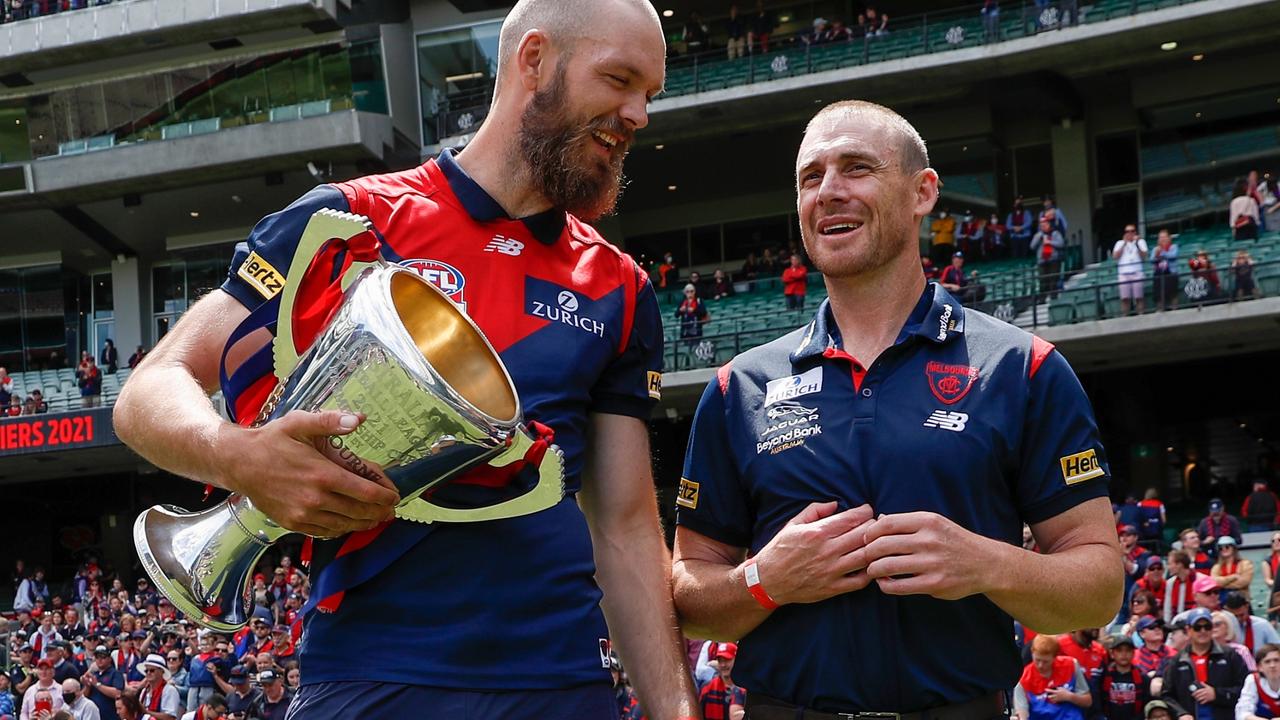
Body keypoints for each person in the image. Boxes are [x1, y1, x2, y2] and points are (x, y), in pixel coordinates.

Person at [112, 1, 696, 718]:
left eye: (650, 95)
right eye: (621, 80)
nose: (638, 113)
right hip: (371, 682)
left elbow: (627, 528)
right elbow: (151, 388)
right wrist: (237, 456)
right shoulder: (347, 221)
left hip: (562, 688)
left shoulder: (620, 289)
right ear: (535, 59)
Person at [670, 100, 1122, 716]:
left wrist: (986, 563)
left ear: (922, 192)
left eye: (857, 168)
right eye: (811, 177)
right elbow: (689, 594)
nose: (829, 191)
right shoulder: (738, 387)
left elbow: (1098, 588)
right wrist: (763, 580)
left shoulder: (1024, 368)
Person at [1159, 608, 1249, 720]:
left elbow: (1246, 690)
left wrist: (1216, 694)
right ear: (1188, 630)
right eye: (1197, 627)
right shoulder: (1177, 661)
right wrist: (1181, 713)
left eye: (1207, 626)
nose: (1203, 631)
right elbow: (1167, 695)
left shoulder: (1230, 656)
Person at [1013, 635, 1092, 720]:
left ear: (1055, 656)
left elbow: (1088, 701)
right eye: (1037, 660)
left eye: (1046, 661)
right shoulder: (1023, 678)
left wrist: (1069, 696)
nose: (1040, 665)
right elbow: (1022, 711)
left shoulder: (1071, 665)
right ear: (1032, 652)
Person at [1102, 634, 1151, 720]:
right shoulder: (1104, 677)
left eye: (1128, 650)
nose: (1124, 654)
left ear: (1133, 653)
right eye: (1119, 650)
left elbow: (1146, 704)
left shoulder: (1143, 678)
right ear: (1112, 654)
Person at [697, 644, 744, 720]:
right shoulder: (707, 688)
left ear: (736, 660)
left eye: (727, 660)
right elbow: (698, 714)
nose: (723, 665)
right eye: (720, 660)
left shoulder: (745, 689)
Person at [1237, 643, 1280, 720]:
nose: (1272, 665)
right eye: (1267, 662)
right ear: (1259, 667)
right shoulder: (1252, 680)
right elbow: (1242, 713)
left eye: (1276, 660)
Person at [1113, 223, 1149, 315]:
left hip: (1137, 273)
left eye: (1132, 231)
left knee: (1139, 298)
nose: (1130, 233)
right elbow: (1115, 256)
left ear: (1135, 232)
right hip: (1123, 274)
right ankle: (1125, 318)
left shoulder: (1141, 242)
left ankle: (1141, 316)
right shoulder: (1119, 243)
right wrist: (1124, 244)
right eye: (1127, 231)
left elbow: (1144, 256)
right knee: (1125, 299)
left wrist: (1137, 244)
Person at [82, 646, 124, 720]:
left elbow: (118, 693)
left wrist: (97, 684)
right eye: (97, 657)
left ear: (109, 659)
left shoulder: (115, 673)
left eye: (103, 657)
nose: (100, 660)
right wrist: (87, 686)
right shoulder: (94, 674)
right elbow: (84, 697)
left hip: (110, 716)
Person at [135, 655, 179, 720]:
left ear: (162, 672)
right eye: (146, 671)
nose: (148, 673)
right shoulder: (144, 691)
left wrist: (146, 712)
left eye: (152, 670)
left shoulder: (169, 690)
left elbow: (170, 717)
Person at [1030, 218, 1065, 296]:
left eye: (1045, 225)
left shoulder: (1055, 233)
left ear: (1049, 225)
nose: (1043, 227)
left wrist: (1050, 242)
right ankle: (1042, 298)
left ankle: (1053, 296)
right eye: (1041, 225)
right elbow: (1032, 246)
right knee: (1042, 280)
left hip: (1054, 260)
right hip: (1042, 261)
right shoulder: (1038, 235)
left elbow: (1061, 244)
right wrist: (1039, 237)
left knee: (1053, 279)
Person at [1151, 229, 1180, 311]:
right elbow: (1152, 260)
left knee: (1173, 294)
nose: (1162, 239)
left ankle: (1175, 311)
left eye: (1164, 237)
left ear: (1169, 238)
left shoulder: (1174, 247)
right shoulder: (1155, 249)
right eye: (1160, 237)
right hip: (1159, 274)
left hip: (1171, 273)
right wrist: (1157, 254)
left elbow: (1173, 256)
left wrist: (1162, 252)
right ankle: (1160, 312)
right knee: (1159, 295)